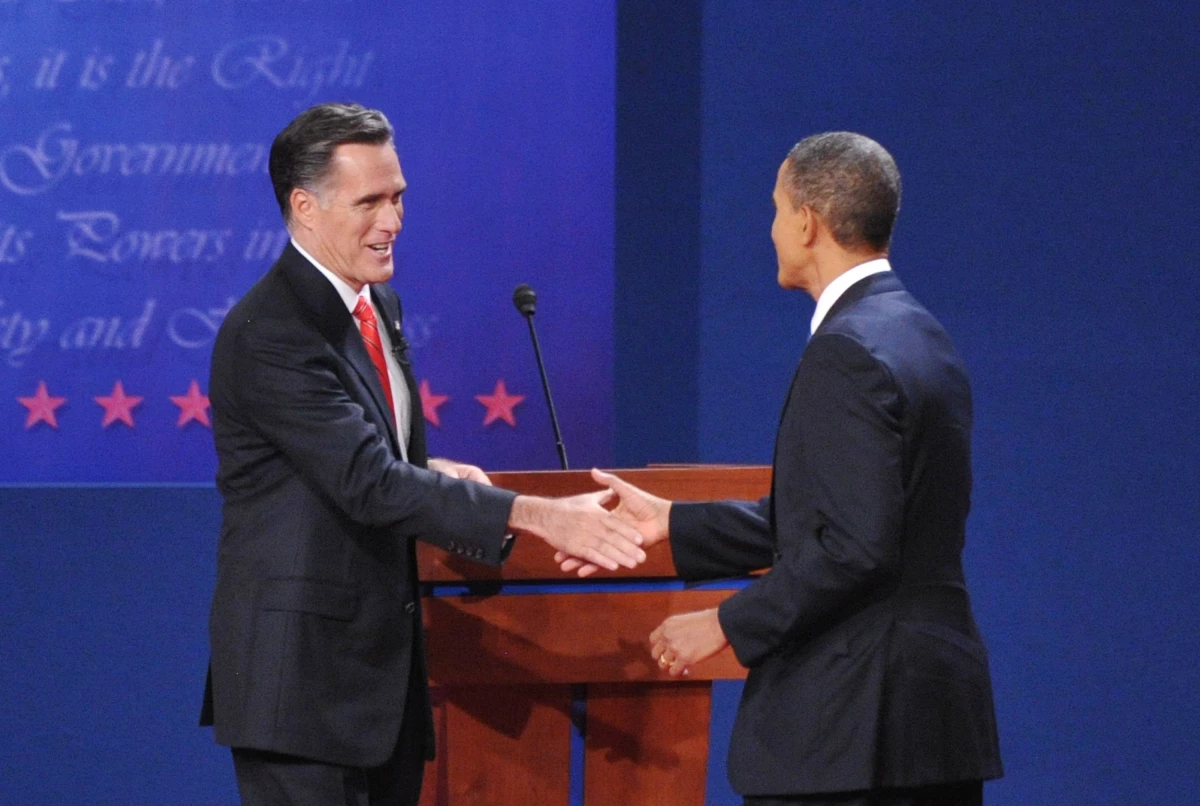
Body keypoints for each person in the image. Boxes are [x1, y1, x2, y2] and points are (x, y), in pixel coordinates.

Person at [199, 102, 646, 806]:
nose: (393, 220)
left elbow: (351, 456)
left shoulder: (380, 307)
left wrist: (429, 469)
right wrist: (542, 516)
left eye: (398, 197)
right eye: (369, 202)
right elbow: (367, 480)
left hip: (378, 685)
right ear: (305, 207)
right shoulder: (271, 331)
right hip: (301, 691)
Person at [565, 133, 1003, 805]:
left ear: (807, 222)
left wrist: (725, 622)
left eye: (775, 209)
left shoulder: (847, 350)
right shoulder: (921, 334)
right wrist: (674, 523)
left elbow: (854, 548)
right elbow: (857, 520)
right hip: (931, 723)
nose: (770, 229)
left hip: (854, 732)